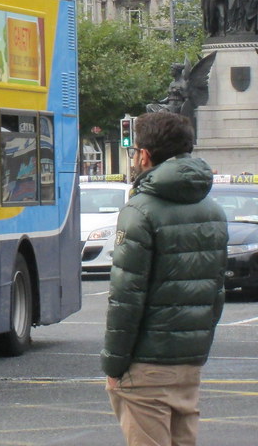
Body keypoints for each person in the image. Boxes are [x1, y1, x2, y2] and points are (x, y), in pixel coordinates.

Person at [102, 111, 228, 446]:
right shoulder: (213, 210)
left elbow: (126, 298)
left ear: (144, 155)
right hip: (189, 362)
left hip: (147, 364)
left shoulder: (140, 210)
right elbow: (216, 291)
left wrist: (114, 366)